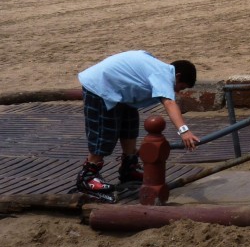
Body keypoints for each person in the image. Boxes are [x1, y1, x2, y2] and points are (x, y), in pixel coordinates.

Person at [76, 50, 200, 201]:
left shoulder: (157, 66)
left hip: (119, 93)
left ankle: (129, 168)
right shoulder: (163, 75)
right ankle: (88, 176)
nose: (178, 91)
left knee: (130, 125)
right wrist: (184, 131)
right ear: (178, 76)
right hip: (99, 87)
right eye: (181, 87)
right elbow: (168, 102)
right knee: (104, 132)